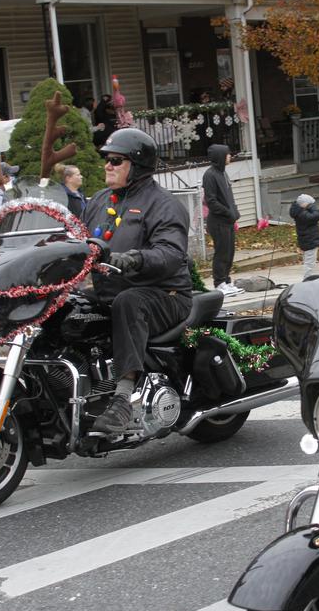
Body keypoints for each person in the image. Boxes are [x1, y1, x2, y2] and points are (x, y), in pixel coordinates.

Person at [81, 128, 193, 434]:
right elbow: (77, 240)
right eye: (106, 159)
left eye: (116, 160)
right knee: (69, 307)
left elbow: (170, 253)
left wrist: (133, 259)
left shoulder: (164, 204)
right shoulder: (99, 201)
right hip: (110, 292)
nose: (108, 165)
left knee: (129, 302)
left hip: (165, 294)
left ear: (138, 166)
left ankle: (122, 398)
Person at [202, 144, 243, 297]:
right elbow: (211, 201)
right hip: (218, 221)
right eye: (227, 154)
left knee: (230, 252)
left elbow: (228, 198)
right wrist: (228, 213)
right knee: (222, 253)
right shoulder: (210, 175)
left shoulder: (223, 173)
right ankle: (219, 283)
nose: (229, 156)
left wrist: (235, 212)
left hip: (228, 221)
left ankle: (226, 280)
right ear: (220, 156)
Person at [290, 194, 319, 280]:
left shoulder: (300, 212)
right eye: (309, 204)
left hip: (307, 239)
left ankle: (308, 278)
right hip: (309, 240)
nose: (310, 206)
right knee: (309, 263)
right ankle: (307, 279)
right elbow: (316, 216)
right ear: (303, 204)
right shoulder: (302, 214)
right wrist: (312, 207)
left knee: (309, 261)